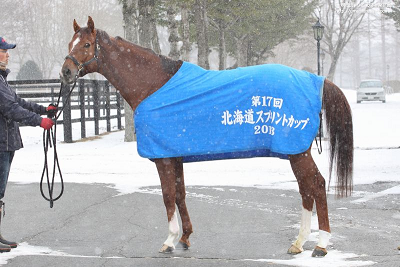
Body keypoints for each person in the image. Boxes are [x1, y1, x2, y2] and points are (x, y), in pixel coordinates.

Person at [0, 37, 57, 253]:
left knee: (0, 191)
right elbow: (11, 109)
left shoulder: (1, 80)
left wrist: (44, 110)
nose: (8, 54)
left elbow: (19, 103)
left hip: (5, 142)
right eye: (4, 50)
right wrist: (39, 121)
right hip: (1, 142)